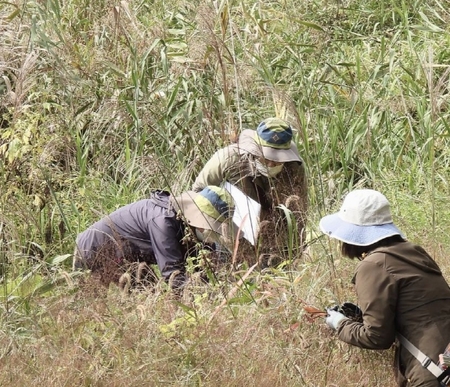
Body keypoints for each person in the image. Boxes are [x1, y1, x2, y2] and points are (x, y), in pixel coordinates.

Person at [319, 189, 450, 387]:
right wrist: (362, 315)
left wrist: (340, 324)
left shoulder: (373, 265)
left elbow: (377, 337)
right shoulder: (413, 252)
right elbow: (417, 310)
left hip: (431, 372)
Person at [73, 185, 235, 291]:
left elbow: (207, 267)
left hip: (131, 258)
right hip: (92, 250)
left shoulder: (190, 226)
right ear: (198, 218)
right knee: (91, 311)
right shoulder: (164, 222)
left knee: (147, 296)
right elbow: (174, 278)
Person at [192, 117, 308, 263]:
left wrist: (297, 245)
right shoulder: (228, 158)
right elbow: (199, 191)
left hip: (274, 230)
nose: (271, 164)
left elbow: (299, 210)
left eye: (278, 160)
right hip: (230, 227)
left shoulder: (295, 167)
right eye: (266, 158)